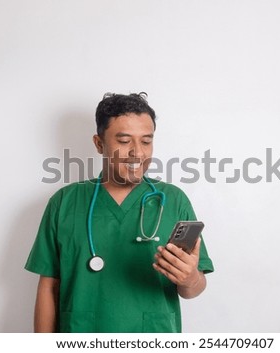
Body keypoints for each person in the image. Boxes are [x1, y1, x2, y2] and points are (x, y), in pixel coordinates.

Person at [25, 92, 214, 333]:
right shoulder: (65, 202)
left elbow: (192, 289)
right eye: (124, 141)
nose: (137, 153)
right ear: (99, 143)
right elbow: (49, 287)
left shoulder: (174, 201)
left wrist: (191, 279)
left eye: (146, 141)